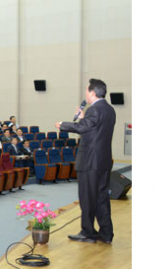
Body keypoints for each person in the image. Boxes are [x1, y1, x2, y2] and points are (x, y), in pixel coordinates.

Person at [55, 78, 116, 244]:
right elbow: (92, 130)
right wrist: (83, 118)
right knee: (101, 198)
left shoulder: (94, 110)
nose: (85, 94)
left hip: (90, 162)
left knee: (87, 197)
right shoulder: (109, 110)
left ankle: (88, 232)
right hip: (102, 161)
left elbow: (82, 128)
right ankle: (106, 233)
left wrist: (63, 125)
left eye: (86, 91)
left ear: (93, 93)